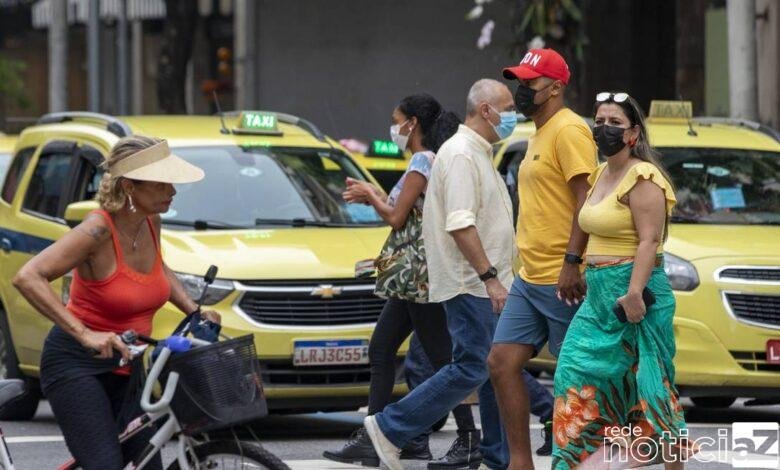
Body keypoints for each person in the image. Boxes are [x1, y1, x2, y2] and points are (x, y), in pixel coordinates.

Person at [12, 136, 220, 469]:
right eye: (161, 183)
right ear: (129, 186)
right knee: (105, 463)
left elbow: (158, 267)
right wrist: (85, 334)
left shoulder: (149, 221)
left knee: (146, 460)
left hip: (128, 364)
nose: (172, 191)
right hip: (77, 364)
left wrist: (194, 311)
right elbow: (27, 277)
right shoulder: (96, 231)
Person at [363, 79, 517, 470]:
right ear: (486, 110)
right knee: (472, 366)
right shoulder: (462, 154)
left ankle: (496, 455)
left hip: (482, 283)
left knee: (494, 366)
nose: (515, 115)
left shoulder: (476, 152)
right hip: (471, 283)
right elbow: (461, 223)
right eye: (509, 107)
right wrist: (490, 276)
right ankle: (389, 427)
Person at [323, 93, 480, 468]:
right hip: (408, 277)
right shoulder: (423, 161)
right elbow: (403, 212)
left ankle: (468, 437)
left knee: (445, 361)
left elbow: (396, 218)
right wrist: (375, 196)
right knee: (381, 349)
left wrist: (370, 197)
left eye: (397, 120)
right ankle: (374, 437)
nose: (393, 127)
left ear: (413, 124)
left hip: (419, 275)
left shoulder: (423, 160)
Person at [552, 92, 687, 469]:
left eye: (615, 123)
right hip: (598, 298)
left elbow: (649, 240)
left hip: (636, 296)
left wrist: (633, 295)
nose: (604, 129)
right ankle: (585, 462)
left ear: (634, 134)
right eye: (600, 121)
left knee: (651, 388)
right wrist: (573, 264)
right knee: (574, 376)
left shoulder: (644, 176)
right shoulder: (599, 175)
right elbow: (585, 226)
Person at [488, 48, 598, 469]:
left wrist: (573, 261)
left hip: (561, 275)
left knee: (581, 381)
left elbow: (585, 200)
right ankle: (521, 463)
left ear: (555, 87)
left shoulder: (569, 131)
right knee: (501, 363)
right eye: (519, 81)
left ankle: (589, 458)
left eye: (529, 82)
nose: (521, 89)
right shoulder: (539, 131)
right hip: (529, 278)